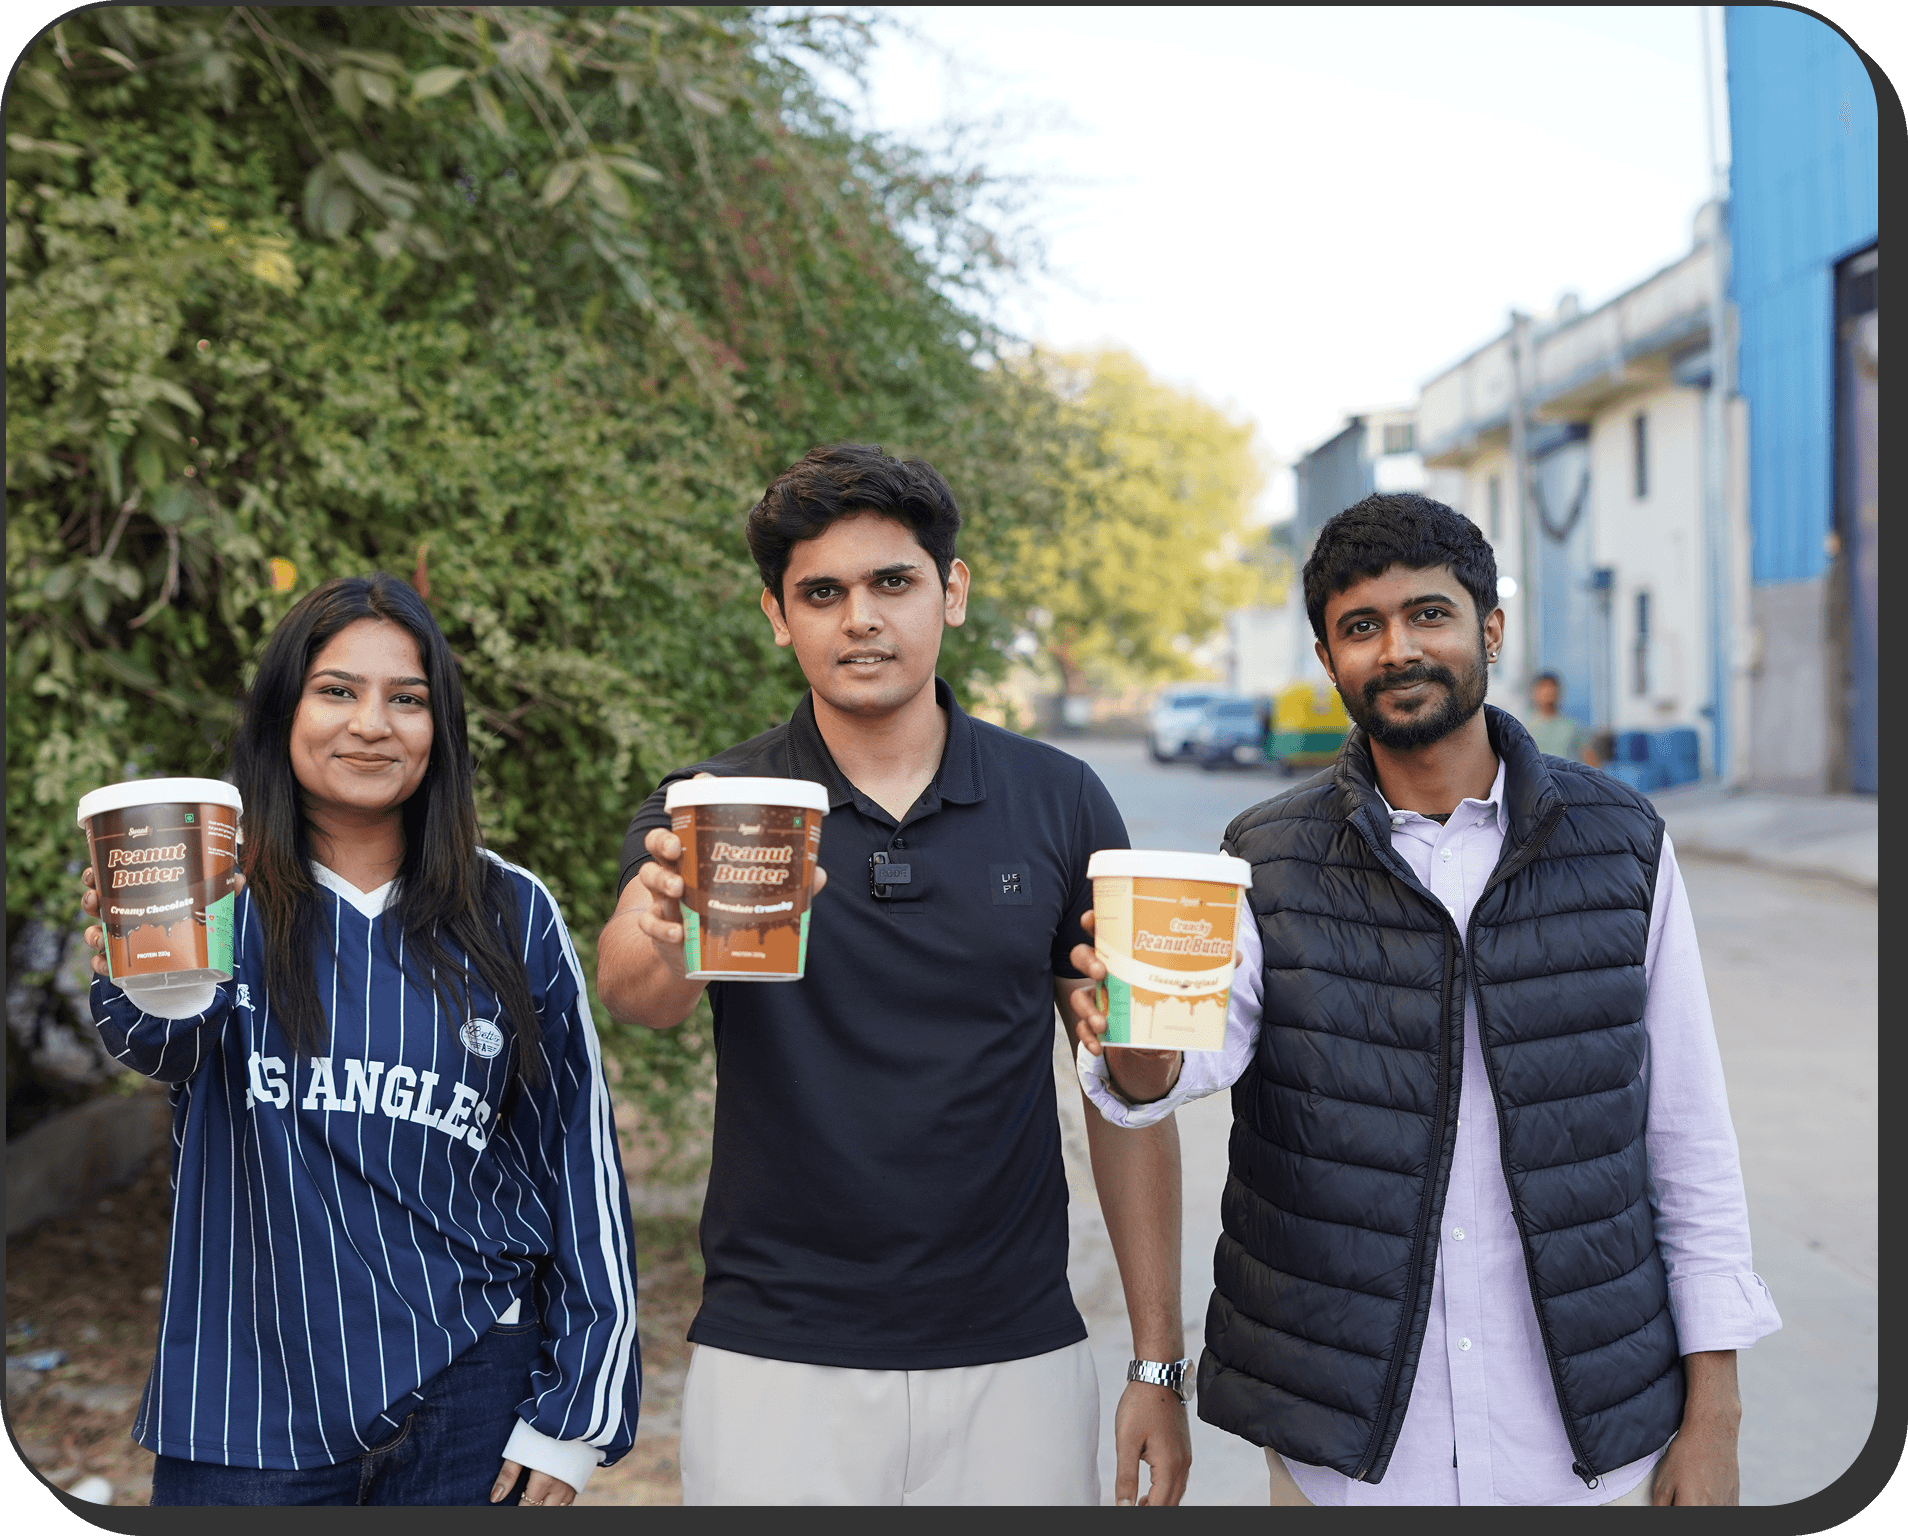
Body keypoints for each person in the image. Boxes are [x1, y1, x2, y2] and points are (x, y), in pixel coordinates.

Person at [1067, 493, 1780, 1507]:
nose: (1398, 648)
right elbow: (1185, 1061)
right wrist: (1131, 1040)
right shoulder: (1267, 858)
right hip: (1342, 1451)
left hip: (1580, 1446)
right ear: (1329, 659)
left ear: (1490, 629)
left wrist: (1717, 1412)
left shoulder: (1621, 844)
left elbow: (1689, 1140)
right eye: (1362, 627)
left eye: (1429, 614)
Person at [597, 443, 1191, 1506]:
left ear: (950, 592)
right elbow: (634, 996)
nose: (860, 618)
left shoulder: (1060, 800)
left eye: (892, 583)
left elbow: (1130, 1094)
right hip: (775, 1356)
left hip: (1017, 1353)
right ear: (778, 616)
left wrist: (1157, 1363)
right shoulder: (718, 803)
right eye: (822, 593)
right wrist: (668, 930)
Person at [81, 573, 640, 1506]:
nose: (372, 725)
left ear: (440, 729)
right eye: (337, 690)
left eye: (407, 699)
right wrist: (143, 960)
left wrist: (578, 1413)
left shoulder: (510, 910)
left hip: (473, 1395)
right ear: (283, 712)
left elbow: (576, 1159)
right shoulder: (209, 892)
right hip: (248, 1400)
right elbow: (154, 1045)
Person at [1527, 670, 1593, 763]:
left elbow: (1590, 760)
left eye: (1551, 687)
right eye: (1543, 688)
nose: (1548, 692)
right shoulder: (1524, 728)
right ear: (1534, 692)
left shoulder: (1572, 727)